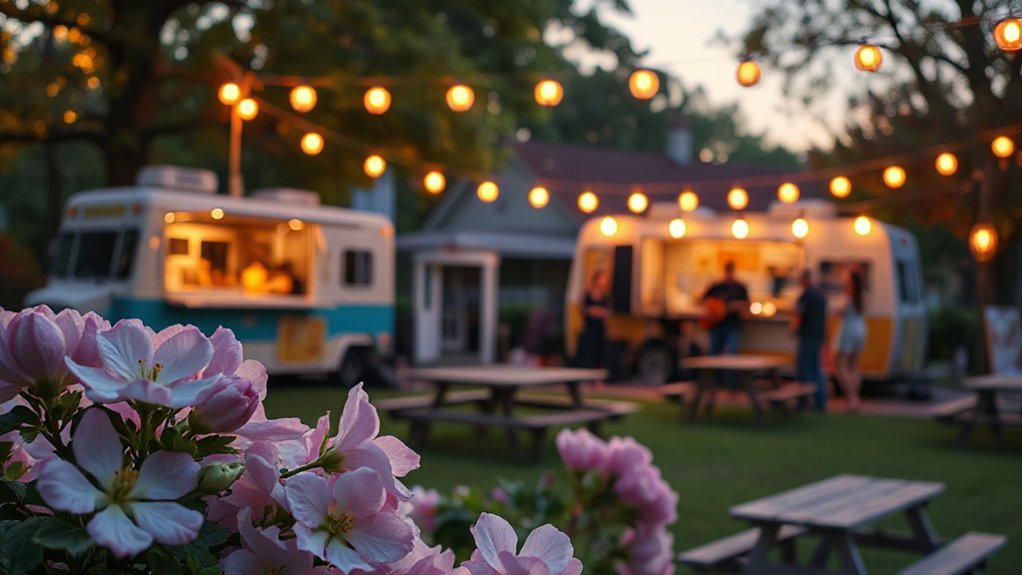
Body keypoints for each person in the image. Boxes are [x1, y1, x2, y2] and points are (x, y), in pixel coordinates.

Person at [792, 269, 828, 411]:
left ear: (803, 279)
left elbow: (798, 316)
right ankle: (820, 401)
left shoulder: (806, 295)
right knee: (816, 368)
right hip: (818, 335)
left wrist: (793, 329)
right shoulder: (820, 295)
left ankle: (802, 401)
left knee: (804, 370)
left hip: (807, 336)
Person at [834, 269, 867, 412]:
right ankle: (856, 398)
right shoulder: (863, 295)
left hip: (848, 328)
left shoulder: (848, 295)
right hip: (861, 327)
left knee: (840, 364)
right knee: (853, 366)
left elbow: (840, 312)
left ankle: (851, 399)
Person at [701, 261, 750, 356]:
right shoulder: (716, 287)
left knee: (732, 352)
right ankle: (715, 370)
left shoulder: (740, 288)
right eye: (727, 272)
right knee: (714, 352)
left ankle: (730, 371)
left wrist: (736, 305)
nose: (729, 275)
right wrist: (712, 309)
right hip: (716, 325)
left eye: (731, 272)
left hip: (732, 325)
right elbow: (703, 300)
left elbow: (747, 305)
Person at [575, 270, 611, 368]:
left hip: (600, 327)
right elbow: (583, 309)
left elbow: (607, 312)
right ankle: (587, 374)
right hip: (590, 327)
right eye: (601, 279)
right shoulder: (588, 293)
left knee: (599, 351)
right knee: (588, 351)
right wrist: (595, 311)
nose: (603, 281)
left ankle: (597, 376)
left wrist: (594, 311)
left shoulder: (605, 295)